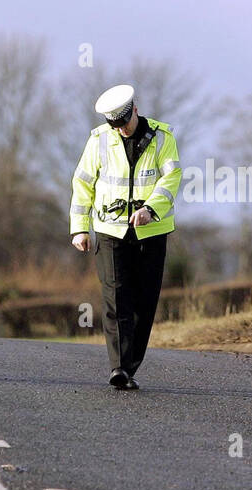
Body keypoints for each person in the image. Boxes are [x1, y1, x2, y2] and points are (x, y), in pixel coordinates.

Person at [69, 84, 181, 390]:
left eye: (124, 123)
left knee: (145, 301)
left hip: (152, 231)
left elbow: (171, 179)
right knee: (116, 295)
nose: (121, 130)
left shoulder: (162, 138)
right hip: (110, 230)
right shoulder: (99, 140)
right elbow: (83, 183)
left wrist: (150, 209)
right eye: (115, 126)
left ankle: (130, 367)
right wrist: (79, 227)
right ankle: (118, 367)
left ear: (135, 109)